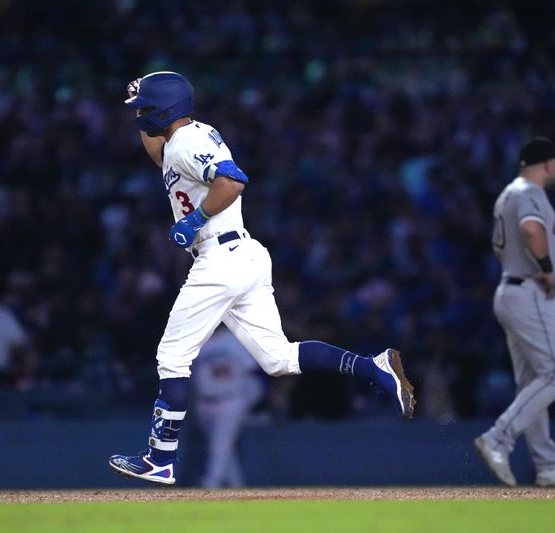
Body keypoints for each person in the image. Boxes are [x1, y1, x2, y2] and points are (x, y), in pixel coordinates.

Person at [108, 71, 416, 485]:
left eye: (145, 108)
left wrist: (198, 217)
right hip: (242, 255)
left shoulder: (189, 141)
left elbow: (233, 180)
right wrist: (138, 100)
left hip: (219, 258)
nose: (139, 114)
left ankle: (159, 458)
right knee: (279, 360)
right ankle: (372, 367)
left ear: (163, 109)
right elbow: (160, 154)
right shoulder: (186, 138)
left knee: (172, 357)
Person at [474, 137, 555, 488]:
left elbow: (500, 246)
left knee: (533, 382)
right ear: (546, 163)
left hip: (512, 287)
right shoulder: (528, 192)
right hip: (531, 291)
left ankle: (548, 465)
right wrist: (545, 268)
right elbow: (530, 229)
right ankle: (498, 438)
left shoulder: (507, 194)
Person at [192, 325, 264, 488]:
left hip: (230, 401)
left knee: (220, 446)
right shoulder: (198, 340)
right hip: (203, 403)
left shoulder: (235, 341)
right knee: (223, 448)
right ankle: (237, 487)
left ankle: (209, 485)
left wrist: (247, 400)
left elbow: (252, 372)